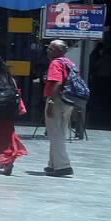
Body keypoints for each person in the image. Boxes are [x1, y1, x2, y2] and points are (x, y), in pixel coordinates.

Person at [42, 39, 75, 176]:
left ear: (59, 51)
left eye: (51, 49)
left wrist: (51, 101)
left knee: (55, 133)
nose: (47, 51)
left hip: (57, 100)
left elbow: (57, 82)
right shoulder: (69, 63)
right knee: (60, 131)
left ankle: (63, 166)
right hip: (68, 101)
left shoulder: (56, 63)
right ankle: (53, 163)